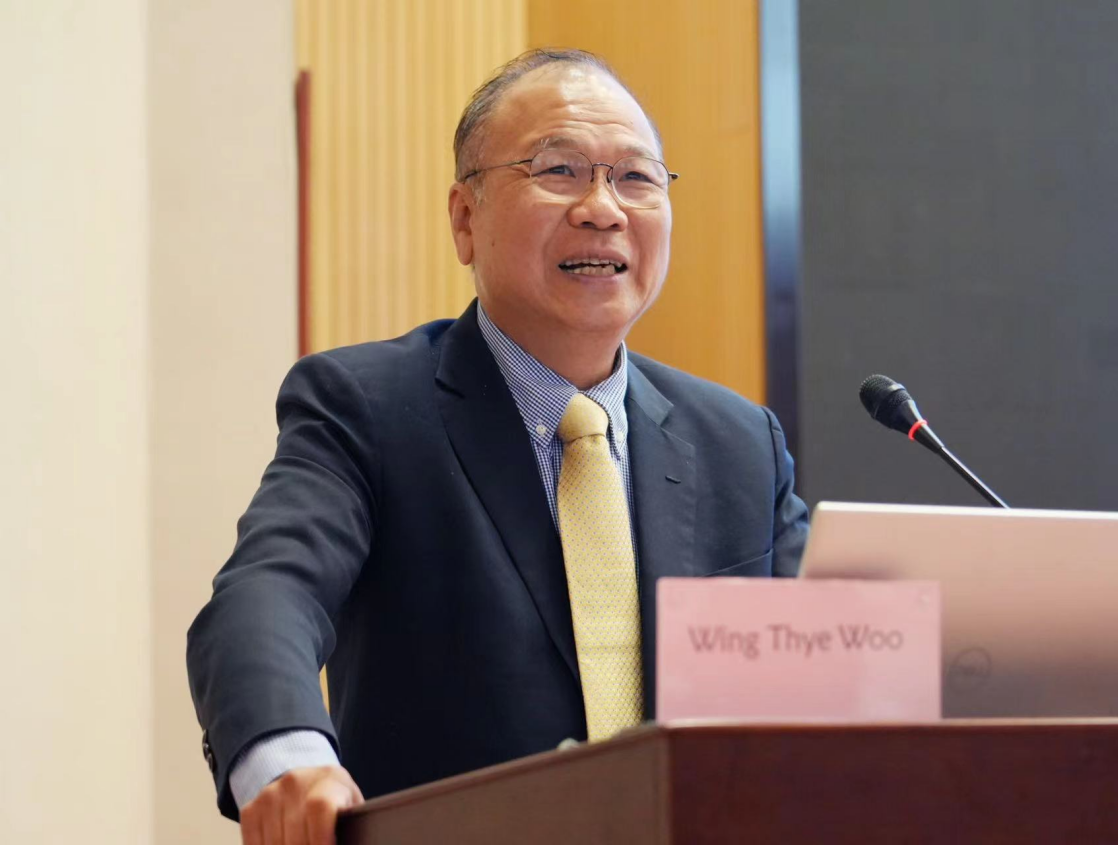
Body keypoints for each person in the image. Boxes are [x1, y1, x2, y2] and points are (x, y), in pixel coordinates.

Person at [187, 48, 808, 845]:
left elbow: (824, 661)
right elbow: (268, 593)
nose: (602, 208)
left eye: (635, 178)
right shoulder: (368, 407)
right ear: (464, 219)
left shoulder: (738, 441)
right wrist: (286, 756)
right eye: (558, 170)